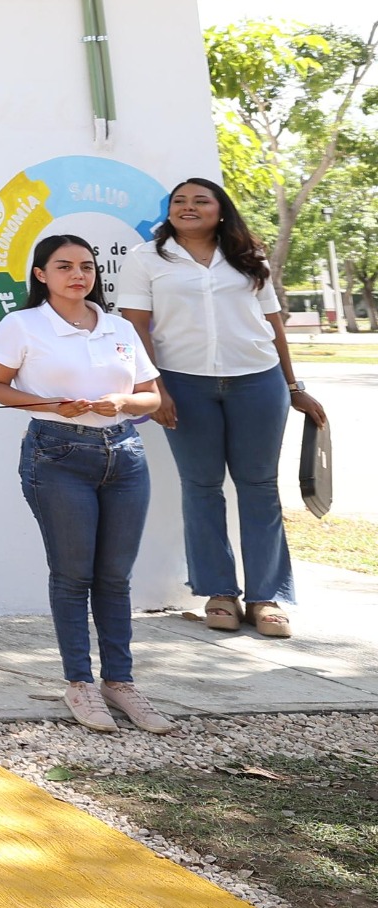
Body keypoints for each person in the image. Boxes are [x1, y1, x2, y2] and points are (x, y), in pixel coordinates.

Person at [0, 233, 176, 734]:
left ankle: (121, 682)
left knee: (114, 577)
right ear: (41, 275)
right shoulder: (22, 324)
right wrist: (49, 406)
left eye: (86, 266)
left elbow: (150, 398)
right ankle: (80, 685)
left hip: (124, 454)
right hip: (57, 453)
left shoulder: (117, 327)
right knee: (73, 576)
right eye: (63, 266)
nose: (78, 275)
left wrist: (122, 404)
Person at [116, 177, 323, 640]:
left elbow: (273, 324)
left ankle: (266, 597)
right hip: (185, 384)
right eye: (179, 201)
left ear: (221, 209)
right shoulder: (146, 258)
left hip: (258, 380)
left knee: (260, 487)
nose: (188, 207)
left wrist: (294, 386)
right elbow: (136, 327)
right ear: (168, 211)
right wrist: (158, 389)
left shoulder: (249, 256)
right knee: (202, 486)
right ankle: (219, 592)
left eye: (200, 200)